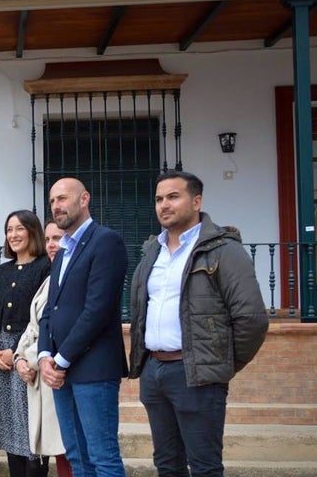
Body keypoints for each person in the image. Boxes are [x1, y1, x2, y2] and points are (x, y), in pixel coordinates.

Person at [128, 170, 269, 477]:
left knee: (204, 468)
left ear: (196, 201)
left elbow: (252, 319)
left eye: (173, 196)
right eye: (159, 199)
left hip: (196, 377)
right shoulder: (153, 250)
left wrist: (219, 363)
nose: (164, 205)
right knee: (167, 465)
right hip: (155, 372)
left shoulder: (223, 249)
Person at [37, 177, 128, 477]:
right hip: (61, 372)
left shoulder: (106, 241)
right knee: (77, 457)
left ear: (84, 198)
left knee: (102, 458)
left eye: (62, 198)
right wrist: (44, 357)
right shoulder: (62, 252)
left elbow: (97, 310)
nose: (56, 206)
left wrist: (60, 360)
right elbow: (50, 310)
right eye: (52, 201)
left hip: (94, 369)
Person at [0, 210, 51, 477]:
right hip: (1, 358)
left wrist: (18, 351)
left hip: (28, 354)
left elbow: (43, 316)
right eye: (9, 229)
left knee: (31, 429)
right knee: (10, 429)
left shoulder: (46, 266)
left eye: (19, 229)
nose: (13, 235)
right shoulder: (2, 271)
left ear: (33, 232)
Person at [14, 220, 73, 477]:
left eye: (58, 238)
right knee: (60, 454)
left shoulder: (72, 276)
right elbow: (33, 327)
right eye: (48, 239)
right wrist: (19, 359)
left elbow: (62, 331)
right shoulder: (51, 278)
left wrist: (31, 359)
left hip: (58, 374)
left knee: (70, 453)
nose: (51, 244)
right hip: (40, 374)